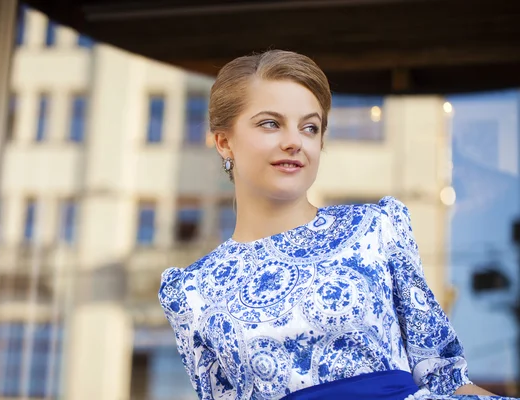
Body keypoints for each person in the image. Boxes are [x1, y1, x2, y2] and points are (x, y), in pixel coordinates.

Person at [158, 50, 516, 400]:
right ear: (224, 141)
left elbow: (444, 375)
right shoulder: (191, 292)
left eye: (309, 128)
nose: (294, 142)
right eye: (271, 123)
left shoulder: (373, 229)